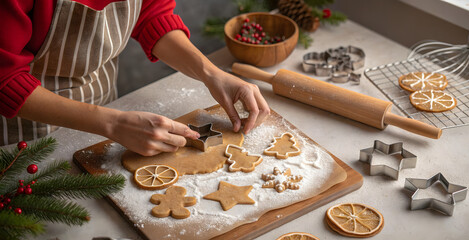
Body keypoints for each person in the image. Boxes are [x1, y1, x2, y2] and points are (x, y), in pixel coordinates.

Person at [0, 0, 270, 156]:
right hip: (24, 125)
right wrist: (113, 124)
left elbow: (151, 15)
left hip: (103, 99)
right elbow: (5, 77)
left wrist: (213, 74)